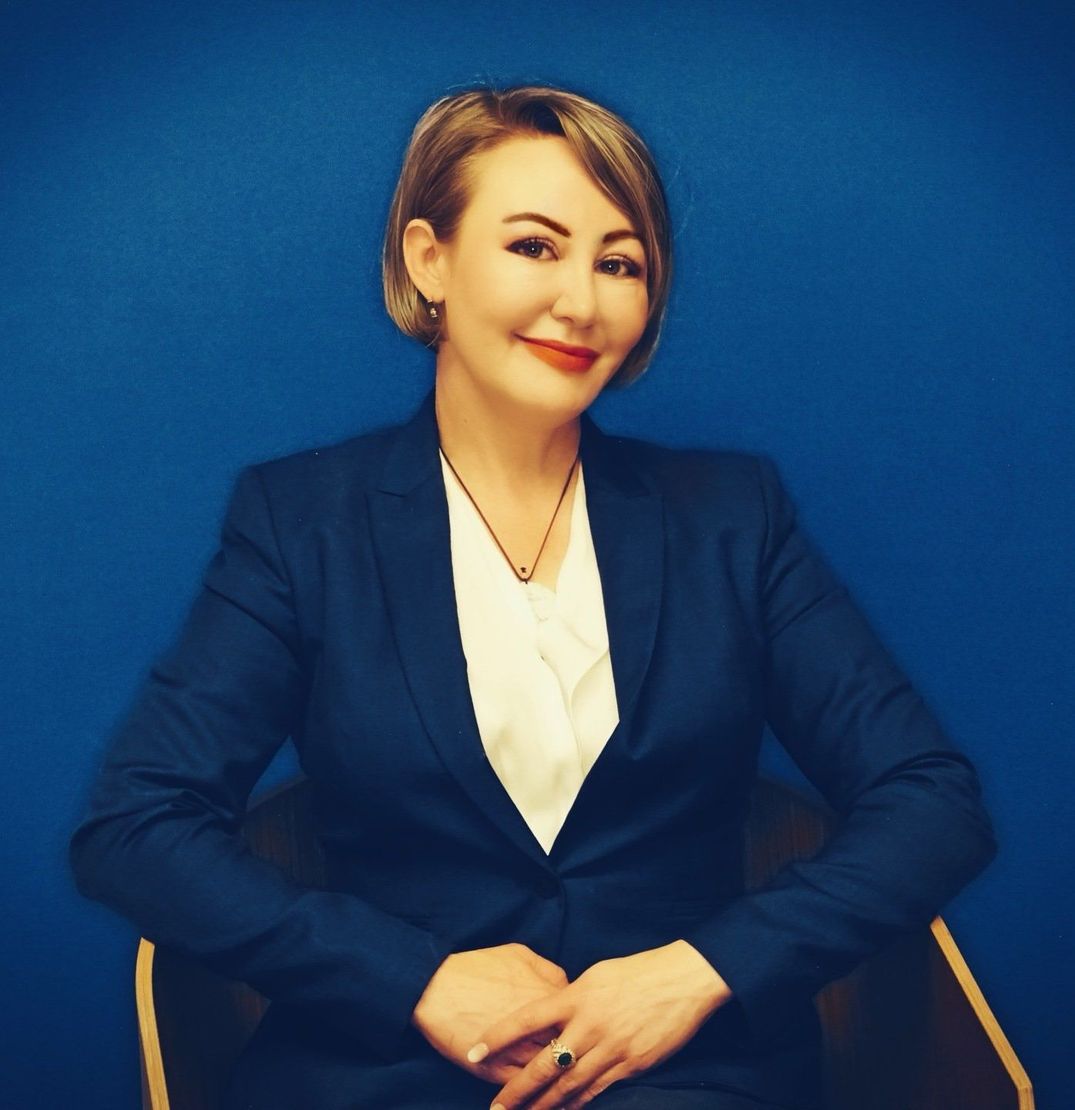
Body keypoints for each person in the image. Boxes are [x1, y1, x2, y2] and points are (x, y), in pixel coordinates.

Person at [70, 85, 997, 1110]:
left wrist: (701, 968)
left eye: (618, 262)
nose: (581, 301)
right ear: (430, 261)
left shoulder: (732, 516)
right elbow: (137, 826)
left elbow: (930, 801)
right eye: (533, 247)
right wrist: (411, 978)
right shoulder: (300, 523)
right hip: (384, 1079)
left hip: (683, 1081)